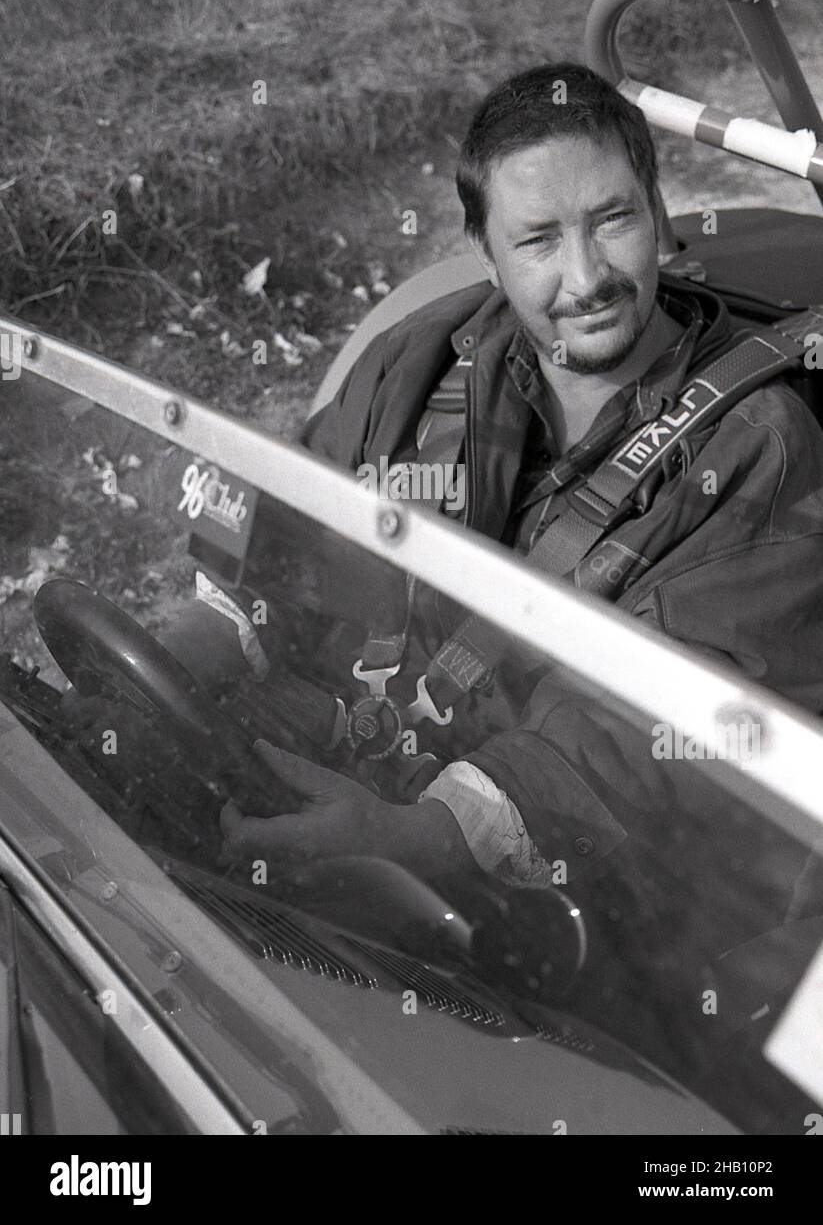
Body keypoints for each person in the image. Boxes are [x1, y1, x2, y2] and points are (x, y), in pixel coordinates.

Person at [157, 63, 823, 935]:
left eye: (613, 220)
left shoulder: (756, 444)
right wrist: (177, 661)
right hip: (362, 768)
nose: (585, 279)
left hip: (571, 887)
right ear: (486, 253)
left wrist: (417, 837)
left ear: (658, 214)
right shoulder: (422, 356)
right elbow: (287, 532)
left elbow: (668, 731)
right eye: (539, 240)